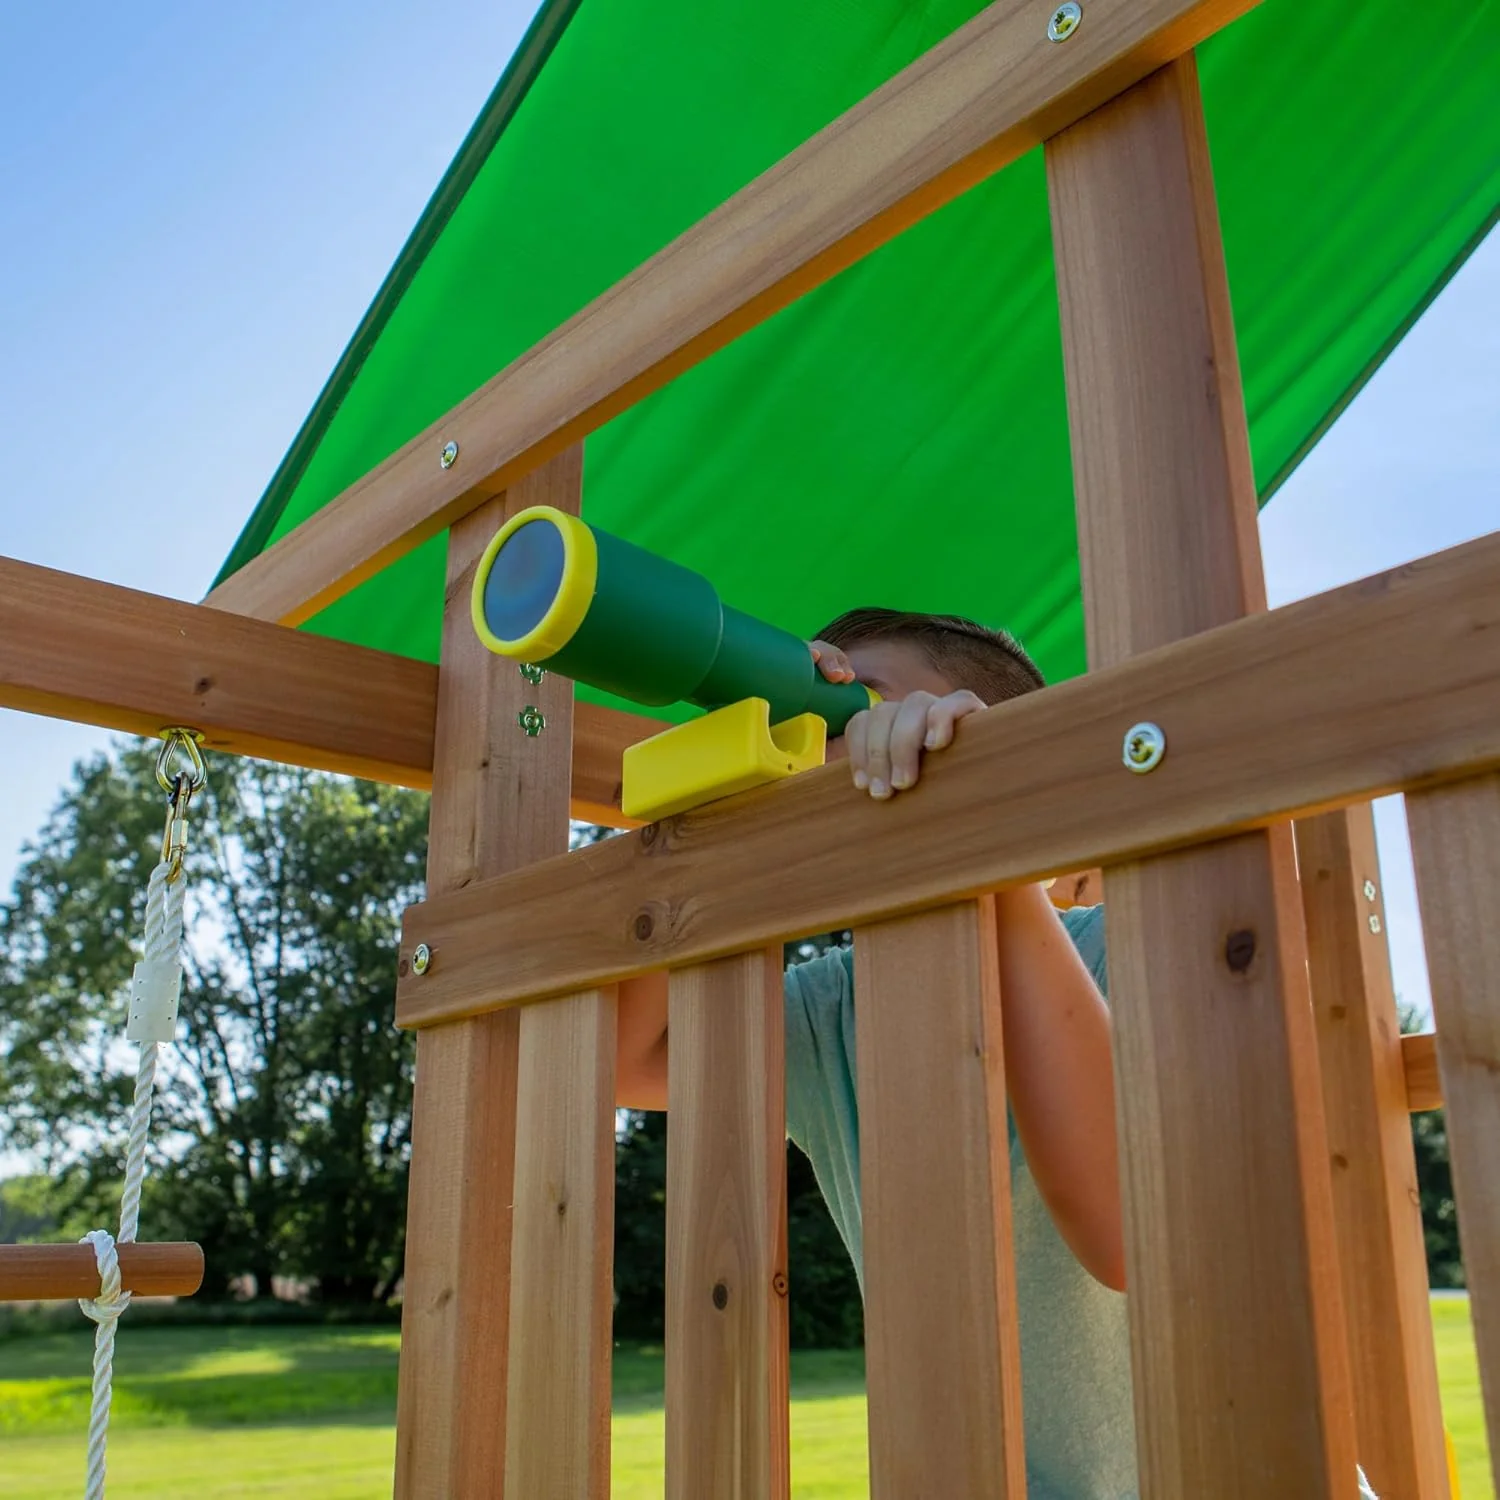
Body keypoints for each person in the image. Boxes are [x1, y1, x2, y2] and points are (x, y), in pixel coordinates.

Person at [614, 608, 1381, 1499]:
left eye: (871, 712)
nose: (848, 752)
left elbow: (1131, 1235)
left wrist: (975, 826)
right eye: (821, 730)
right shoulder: (833, 1009)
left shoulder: (1133, 936)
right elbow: (631, 1060)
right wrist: (724, 829)